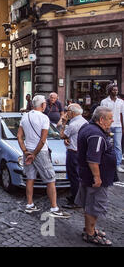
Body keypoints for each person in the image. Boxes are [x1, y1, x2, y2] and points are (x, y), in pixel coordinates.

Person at [17, 95, 71, 218]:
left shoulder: (25, 116)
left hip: (28, 150)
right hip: (40, 152)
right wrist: (34, 154)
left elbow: (19, 136)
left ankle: (29, 205)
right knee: (50, 179)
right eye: (45, 104)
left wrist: (26, 152)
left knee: (30, 178)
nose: (45, 105)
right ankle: (54, 207)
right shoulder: (44, 118)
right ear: (42, 105)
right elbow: (42, 140)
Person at [75, 106, 116, 246]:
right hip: (94, 178)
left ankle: (89, 229)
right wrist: (97, 177)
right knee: (94, 206)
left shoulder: (87, 127)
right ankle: (90, 234)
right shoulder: (96, 135)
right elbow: (92, 159)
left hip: (86, 175)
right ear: (101, 119)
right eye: (110, 119)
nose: (112, 121)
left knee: (90, 204)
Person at [59, 103, 88, 209]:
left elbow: (62, 135)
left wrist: (63, 123)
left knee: (73, 176)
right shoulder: (84, 121)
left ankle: (76, 200)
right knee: (78, 176)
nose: (67, 113)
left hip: (73, 152)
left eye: (68, 111)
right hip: (80, 152)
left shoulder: (73, 124)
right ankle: (77, 197)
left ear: (72, 113)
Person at [100, 83, 124, 173]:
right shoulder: (104, 102)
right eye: (114, 90)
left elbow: (123, 115)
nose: (116, 91)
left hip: (118, 126)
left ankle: (117, 164)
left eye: (117, 90)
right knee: (106, 145)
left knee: (118, 146)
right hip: (107, 126)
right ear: (110, 91)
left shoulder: (121, 102)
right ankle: (105, 163)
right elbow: (102, 114)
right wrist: (103, 126)